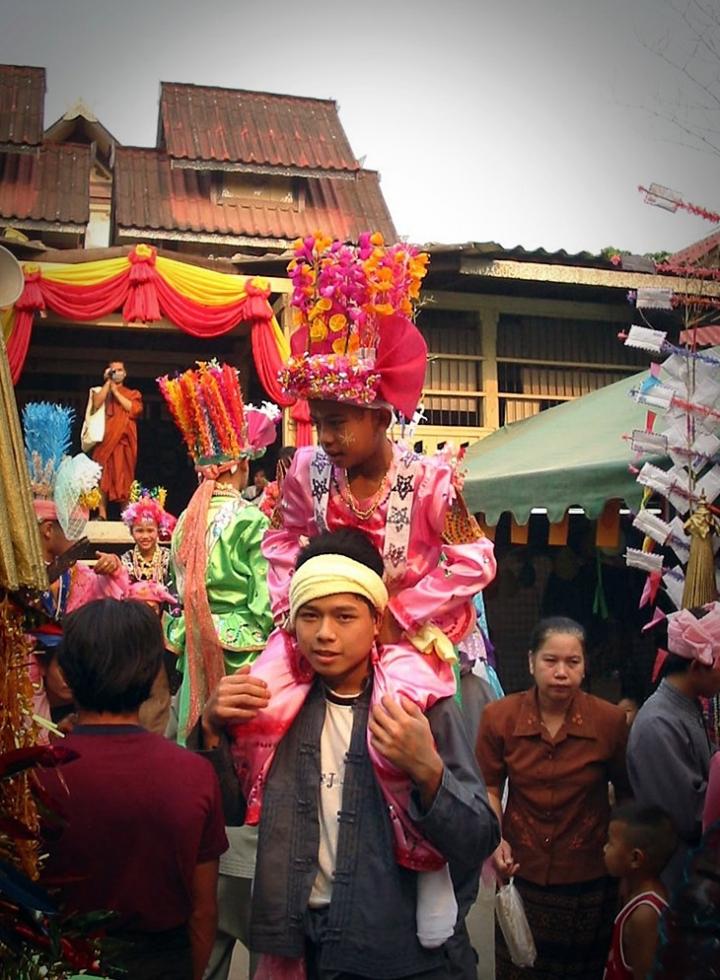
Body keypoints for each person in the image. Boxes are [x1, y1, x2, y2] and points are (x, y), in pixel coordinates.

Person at [254, 233, 496, 937]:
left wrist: (400, 616)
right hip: (323, 621)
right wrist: (290, 610)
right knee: (259, 705)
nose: (324, 436)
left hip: (410, 641)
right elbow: (281, 543)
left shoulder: (431, 481)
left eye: (337, 422)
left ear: (381, 414)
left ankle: (427, 873)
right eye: (317, 421)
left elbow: (475, 561)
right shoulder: (304, 472)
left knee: (399, 726)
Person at [200, 528, 500, 979]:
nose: (324, 634)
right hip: (298, 944)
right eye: (310, 616)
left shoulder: (418, 708)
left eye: (344, 616)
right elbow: (229, 810)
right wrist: (210, 732)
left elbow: (478, 837)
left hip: (394, 952)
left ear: (376, 621)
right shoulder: (273, 707)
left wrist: (428, 771)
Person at [158, 361, 279, 979]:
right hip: (242, 662)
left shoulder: (185, 521)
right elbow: (265, 603)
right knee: (249, 785)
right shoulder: (252, 520)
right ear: (237, 464)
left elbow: (179, 596)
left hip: (196, 669)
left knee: (199, 765)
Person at [37, 598, 227, 980]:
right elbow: (204, 910)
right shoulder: (195, 774)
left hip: (61, 961)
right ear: (150, 673)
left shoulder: (39, 773)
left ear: (69, 673)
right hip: (162, 961)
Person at [476, 616, 630, 980]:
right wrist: (495, 840)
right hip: (521, 872)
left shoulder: (609, 722)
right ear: (532, 662)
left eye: (572, 662)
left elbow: (626, 794)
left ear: (584, 665)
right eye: (550, 661)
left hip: (588, 879)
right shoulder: (499, 718)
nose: (561, 672)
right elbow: (489, 787)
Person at [626, 601, 720, 894]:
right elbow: (689, 816)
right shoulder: (659, 723)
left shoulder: (688, 707)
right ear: (696, 667)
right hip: (677, 879)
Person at [602, 803, 676, 980]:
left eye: (610, 843)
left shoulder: (646, 914)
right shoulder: (630, 888)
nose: (604, 849)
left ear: (635, 858)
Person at [91, 360, 143, 518]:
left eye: (119, 370)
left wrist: (116, 392)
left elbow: (134, 409)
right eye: (113, 371)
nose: (117, 373)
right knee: (102, 477)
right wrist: (108, 383)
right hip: (105, 442)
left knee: (124, 478)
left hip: (123, 443)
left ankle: (126, 514)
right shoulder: (101, 391)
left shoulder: (133, 393)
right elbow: (96, 403)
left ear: (125, 373)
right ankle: (102, 513)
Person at [120, 482, 176, 585]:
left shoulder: (169, 559)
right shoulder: (126, 560)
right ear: (131, 532)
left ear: (158, 531)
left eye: (150, 530)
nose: (145, 536)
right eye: (140, 531)